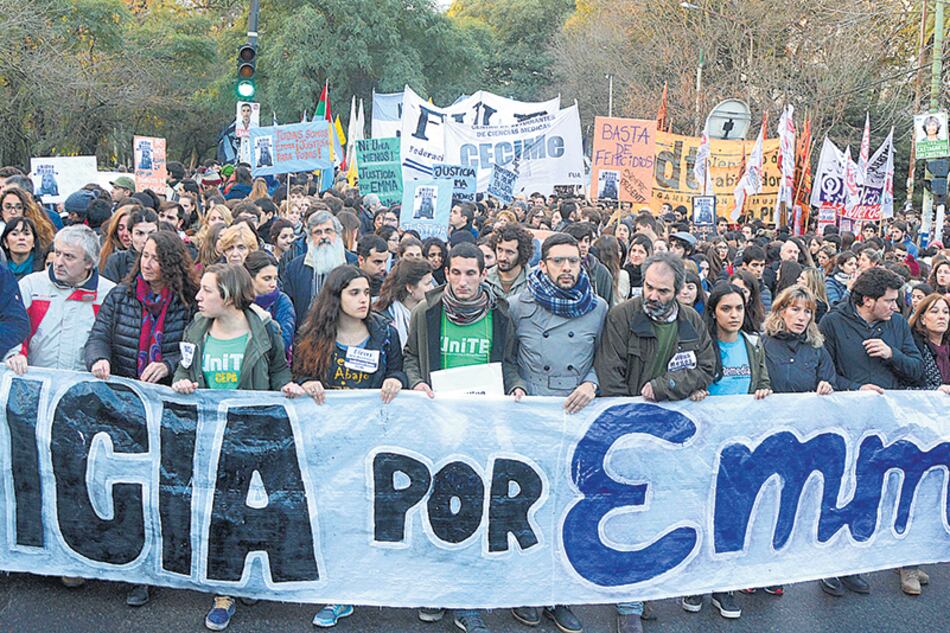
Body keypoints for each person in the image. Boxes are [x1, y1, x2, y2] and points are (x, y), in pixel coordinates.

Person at [169, 264, 299, 632]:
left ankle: (250, 577)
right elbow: (184, 370)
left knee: (255, 511)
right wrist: (181, 382)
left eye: (207, 291)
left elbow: (279, 373)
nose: (198, 297)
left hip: (255, 437)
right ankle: (223, 592)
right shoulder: (196, 328)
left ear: (227, 295)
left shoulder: (266, 330)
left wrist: (286, 388)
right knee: (220, 514)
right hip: (211, 437)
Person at [403, 242, 524, 633]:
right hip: (438, 423)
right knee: (435, 506)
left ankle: (467, 601)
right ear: (446, 273)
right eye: (455, 272)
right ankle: (435, 590)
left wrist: (517, 385)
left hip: (482, 425)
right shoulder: (427, 312)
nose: (463, 281)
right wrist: (418, 383)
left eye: (471, 273)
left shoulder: (501, 314)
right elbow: (409, 356)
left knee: (474, 509)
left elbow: (509, 362)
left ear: (482, 274)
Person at [593, 253, 714, 632]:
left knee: (658, 515)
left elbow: (707, 367)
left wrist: (665, 389)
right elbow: (610, 374)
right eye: (648, 287)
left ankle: (641, 590)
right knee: (628, 516)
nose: (653, 296)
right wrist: (627, 427)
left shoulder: (692, 321)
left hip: (671, 435)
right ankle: (628, 601)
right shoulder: (622, 316)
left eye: (663, 290)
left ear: (679, 292)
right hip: (628, 431)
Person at [83, 230, 197, 606]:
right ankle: (139, 572)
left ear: (172, 264)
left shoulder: (187, 304)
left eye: (156, 258)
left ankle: (173, 560)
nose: (148, 264)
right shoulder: (120, 295)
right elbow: (98, 337)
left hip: (169, 408)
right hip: (125, 408)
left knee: (167, 488)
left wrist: (167, 365)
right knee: (134, 491)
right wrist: (98, 358)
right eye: (144, 256)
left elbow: (192, 350)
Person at [289, 265, 406, 628]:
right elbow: (297, 376)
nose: (363, 300)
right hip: (326, 442)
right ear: (336, 297)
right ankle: (334, 589)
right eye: (354, 293)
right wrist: (306, 383)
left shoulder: (384, 333)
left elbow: (399, 370)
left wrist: (394, 381)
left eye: (366, 292)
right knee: (330, 520)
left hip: (370, 442)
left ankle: (349, 589)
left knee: (359, 518)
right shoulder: (312, 333)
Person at [504, 233, 607, 633]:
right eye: (558, 261)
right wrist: (518, 386)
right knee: (529, 509)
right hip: (531, 419)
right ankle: (528, 592)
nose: (567, 268)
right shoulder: (518, 305)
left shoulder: (598, 308)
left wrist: (592, 384)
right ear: (542, 264)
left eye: (573, 261)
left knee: (568, 510)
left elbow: (607, 358)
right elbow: (507, 358)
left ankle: (558, 595)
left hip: (576, 418)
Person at [817, 267, 925, 598]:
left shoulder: (896, 325)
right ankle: (828, 567)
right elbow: (825, 374)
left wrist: (892, 354)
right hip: (845, 422)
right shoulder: (833, 323)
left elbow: (918, 370)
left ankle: (853, 565)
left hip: (884, 426)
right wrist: (855, 388)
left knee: (869, 493)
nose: (896, 306)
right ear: (868, 300)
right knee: (836, 492)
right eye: (890, 301)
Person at [682, 282, 771, 619]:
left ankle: (724, 586)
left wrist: (763, 391)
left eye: (739, 309)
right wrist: (695, 392)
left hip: (741, 447)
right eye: (726, 309)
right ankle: (695, 583)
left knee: (732, 515)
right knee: (701, 513)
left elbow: (763, 381)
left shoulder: (753, 344)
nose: (734, 315)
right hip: (705, 445)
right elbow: (686, 380)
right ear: (714, 312)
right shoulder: (700, 346)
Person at [281, 211, 347, 324]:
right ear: (310, 238)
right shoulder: (294, 268)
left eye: (328, 231)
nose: (324, 236)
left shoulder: (352, 263)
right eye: (318, 232)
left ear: (337, 234)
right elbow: (289, 307)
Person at [243, 251, 295, 358]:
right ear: (250, 278)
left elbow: (283, 342)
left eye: (275, 278)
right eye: (267, 279)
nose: (273, 284)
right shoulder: (238, 301)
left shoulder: (282, 301)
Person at [372, 258, 433, 347]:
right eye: (427, 284)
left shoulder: (431, 313)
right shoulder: (382, 318)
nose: (432, 288)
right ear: (410, 288)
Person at [102, 208, 159, 283]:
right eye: (140, 233)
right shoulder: (117, 261)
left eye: (151, 233)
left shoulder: (167, 260)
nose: (146, 239)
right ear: (130, 235)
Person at [564, 222, 614, 304]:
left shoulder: (601, 272)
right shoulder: (559, 268)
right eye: (578, 240)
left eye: (586, 241)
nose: (583, 245)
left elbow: (608, 305)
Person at [485, 223, 533, 299]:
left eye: (509, 252)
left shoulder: (533, 282)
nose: (503, 257)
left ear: (521, 253)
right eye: (500, 250)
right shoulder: (485, 279)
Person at [738, 245, 772, 312]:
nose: (759, 269)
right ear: (744, 265)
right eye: (755, 265)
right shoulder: (735, 285)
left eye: (762, 265)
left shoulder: (765, 291)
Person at [619, 234, 652, 300]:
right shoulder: (623, 273)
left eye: (641, 252)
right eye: (633, 250)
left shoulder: (651, 274)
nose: (636, 255)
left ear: (648, 255)